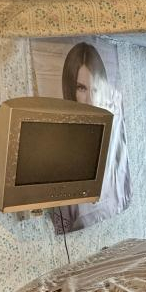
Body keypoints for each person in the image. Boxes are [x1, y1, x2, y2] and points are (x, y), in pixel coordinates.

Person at [56, 42, 132, 232]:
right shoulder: (62, 149)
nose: (90, 100)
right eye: (82, 88)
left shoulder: (114, 138)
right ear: (70, 89)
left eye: (96, 89)